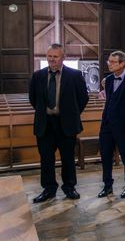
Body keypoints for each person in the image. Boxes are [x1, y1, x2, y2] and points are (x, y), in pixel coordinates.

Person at [29, 43, 89, 203]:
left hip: (66, 123)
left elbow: (83, 98)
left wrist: (71, 114)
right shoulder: (38, 76)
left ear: (63, 58)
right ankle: (49, 188)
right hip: (45, 124)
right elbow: (33, 99)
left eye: (55, 56)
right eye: (49, 56)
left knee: (68, 158)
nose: (51, 59)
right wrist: (47, 111)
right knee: (46, 158)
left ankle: (69, 187)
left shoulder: (75, 75)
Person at [98, 51, 125, 199]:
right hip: (107, 124)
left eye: (113, 62)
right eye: (109, 61)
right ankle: (107, 186)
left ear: (122, 64)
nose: (110, 64)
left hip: (123, 125)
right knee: (106, 156)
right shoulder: (107, 80)